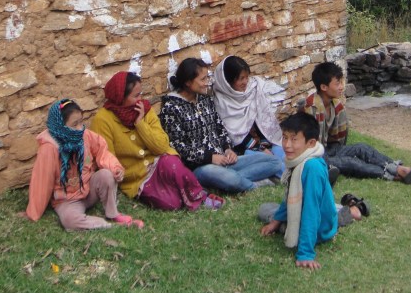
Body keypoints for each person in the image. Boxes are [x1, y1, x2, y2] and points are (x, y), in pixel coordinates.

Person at [90, 71, 223, 211]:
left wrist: (140, 124)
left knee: (173, 165)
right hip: (137, 179)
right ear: (120, 98)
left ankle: (201, 197)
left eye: (140, 94)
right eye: (135, 96)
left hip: (159, 161)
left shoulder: (144, 110)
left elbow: (161, 146)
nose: (140, 99)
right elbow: (107, 158)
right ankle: (184, 195)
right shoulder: (102, 120)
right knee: (172, 204)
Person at [299, 61, 411, 184]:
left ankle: (399, 169)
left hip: (330, 149)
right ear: (324, 87)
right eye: (337, 83)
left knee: (362, 148)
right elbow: (308, 146)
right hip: (315, 156)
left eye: (341, 82)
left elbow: (338, 140)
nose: (341, 86)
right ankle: (395, 174)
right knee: (351, 162)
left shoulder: (335, 104)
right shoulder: (311, 108)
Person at [159, 57, 283, 193]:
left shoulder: (205, 100)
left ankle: (224, 185)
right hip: (201, 168)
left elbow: (220, 129)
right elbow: (176, 146)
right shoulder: (171, 107)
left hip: (224, 161)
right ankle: (251, 186)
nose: (207, 83)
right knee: (225, 176)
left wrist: (228, 149)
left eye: (207, 78)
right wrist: (210, 158)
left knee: (273, 162)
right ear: (188, 82)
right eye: (203, 79)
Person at [259, 113, 363, 270]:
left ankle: (348, 212)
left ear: (311, 142)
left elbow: (311, 211)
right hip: (314, 212)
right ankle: (345, 211)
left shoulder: (311, 167)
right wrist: (275, 221)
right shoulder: (299, 159)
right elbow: (290, 197)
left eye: (294, 139)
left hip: (318, 227)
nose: (287, 145)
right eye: (285, 137)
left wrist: (305, 253)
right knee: (267, 209)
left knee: (265, 211)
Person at [24, 98, 144, 230]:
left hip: (89, 190)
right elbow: (42, 181)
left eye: (81, 122)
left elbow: (102, 151)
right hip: (67, 201)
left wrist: (115, 168)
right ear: (60, 126)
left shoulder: (85, 136)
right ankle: (109, 226)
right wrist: (33, 213)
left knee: (106, 175)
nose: (80, 128)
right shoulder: (50, 148)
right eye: (74, 124)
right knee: (70, 220)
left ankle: (113, 214)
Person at [212, 55, 285, 171]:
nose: (246, 82)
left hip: (264, 142)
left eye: (247, 77)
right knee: (267, 161)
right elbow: (236, 137)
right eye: (241, 78)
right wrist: (260, 149)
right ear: (228, 81)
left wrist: (265, 145)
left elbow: (262, 122)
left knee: (282, 152)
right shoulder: (222, 103)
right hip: (244, 149)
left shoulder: (252, 90)